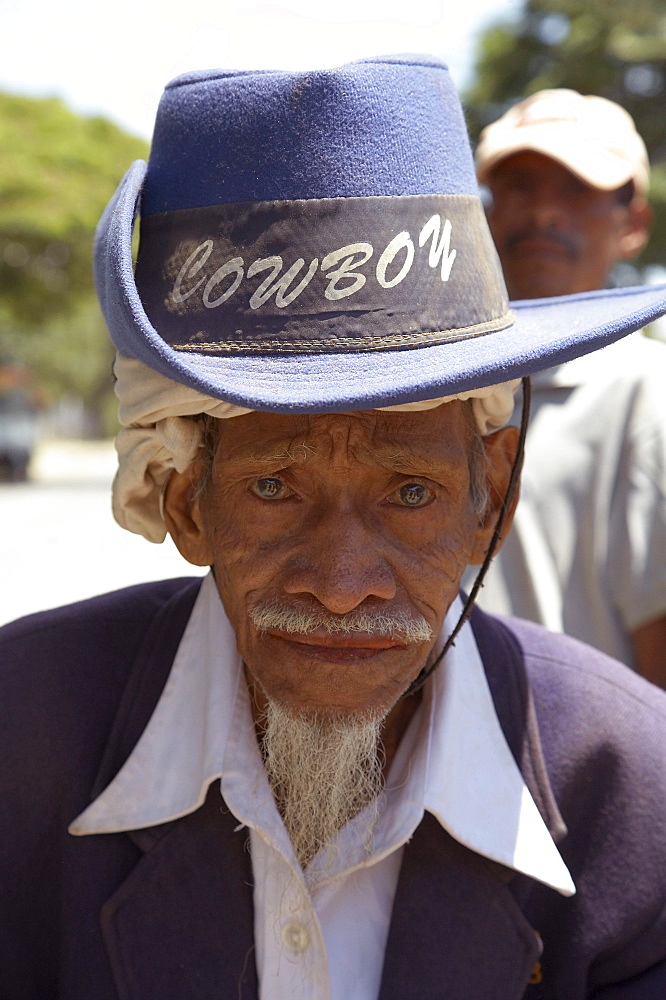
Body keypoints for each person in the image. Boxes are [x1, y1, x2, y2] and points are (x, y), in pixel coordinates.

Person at [1, 57, 666, 1000]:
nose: (343, 581)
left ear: (496, 501)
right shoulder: (20, 735)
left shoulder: (635, 795)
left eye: (409, 494)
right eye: (274, 485)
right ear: (189, 501)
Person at [471, 89, 666, 687]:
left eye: (576, 190)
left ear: (632, 224)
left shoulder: (648, 393)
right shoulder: (427, 389)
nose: (544, 214)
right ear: (485, 210)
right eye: (522, 186)